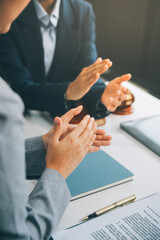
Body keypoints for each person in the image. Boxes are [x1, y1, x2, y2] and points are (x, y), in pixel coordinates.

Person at [0, 0, 112, 239]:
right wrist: (57, 172)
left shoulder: (81, 10)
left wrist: (41, 148)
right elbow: (22, 235)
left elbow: (86, 72)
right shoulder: (6, 106)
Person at [0, 0, 131, 120]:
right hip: (20, 115)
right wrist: (68, 91)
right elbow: (18, 87)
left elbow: (86, 71)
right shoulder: (8, 11)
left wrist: (101, 95)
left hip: (58, 118)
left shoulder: (82, 10)